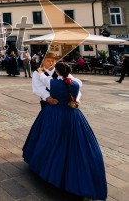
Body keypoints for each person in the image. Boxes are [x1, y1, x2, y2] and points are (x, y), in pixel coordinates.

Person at [23, 62, 107, 200]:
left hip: (58, 111)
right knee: (52, 137)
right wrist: (47, 97)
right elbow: (38, 87)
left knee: (56, 138)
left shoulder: (55, 79)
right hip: (56, 108)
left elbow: (75, 91)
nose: (50, 63)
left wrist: (77, 100)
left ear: (56, 67)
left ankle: (55, 169)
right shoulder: (70, 80)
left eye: (53, 62)